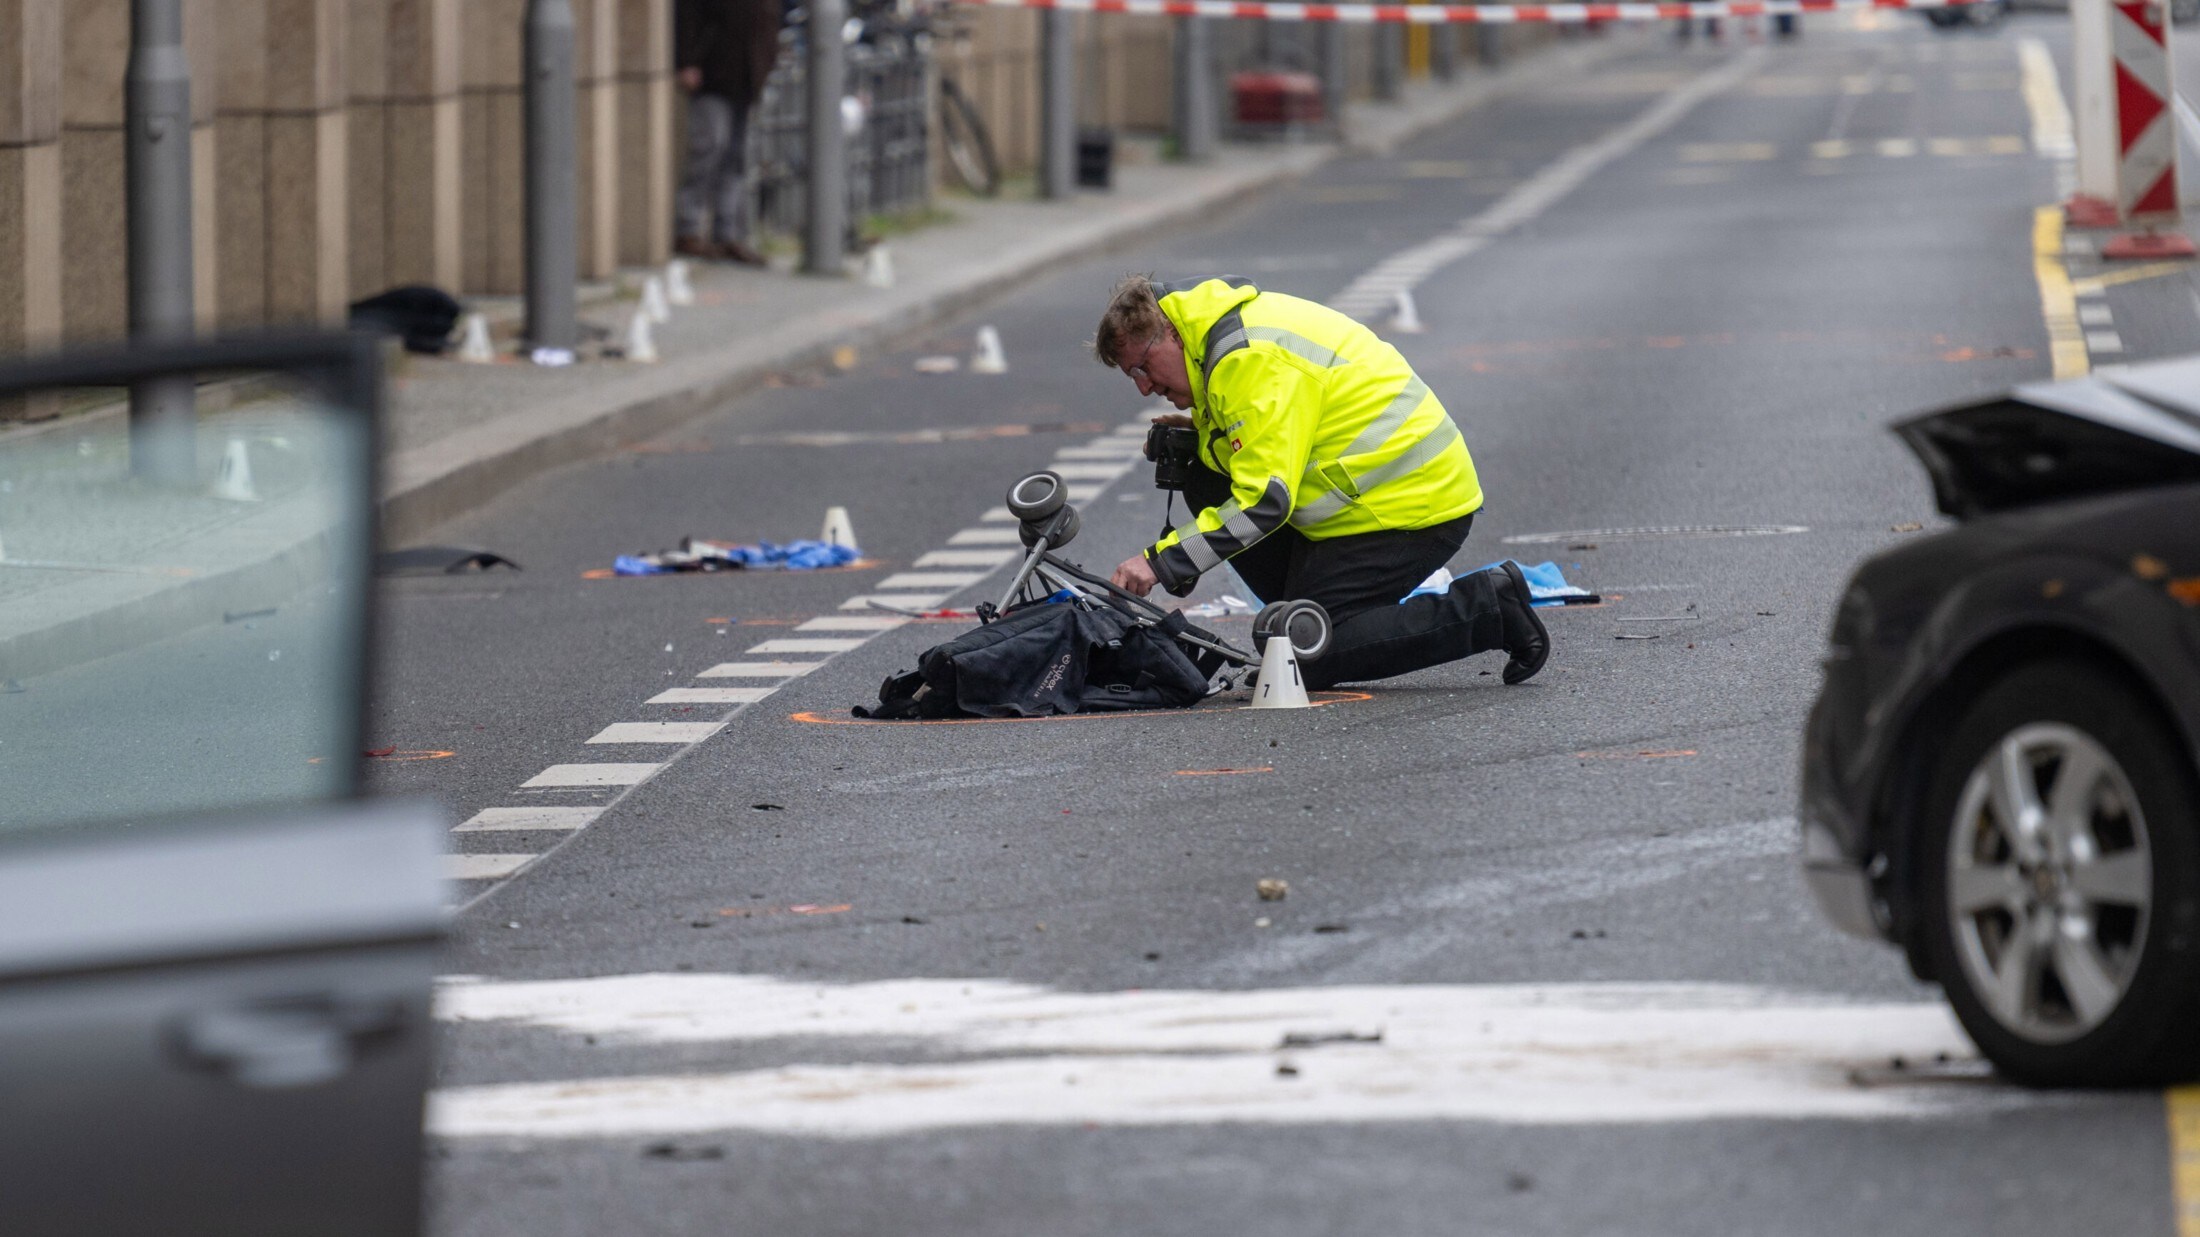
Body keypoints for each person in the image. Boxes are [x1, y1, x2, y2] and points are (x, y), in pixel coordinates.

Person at [1095, 274, 1549, 690]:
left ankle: (1490, 608)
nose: (1143, 387)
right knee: (1200, 472)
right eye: (1130, 376)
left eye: (1142, 367)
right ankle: (1310, 617)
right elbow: (1265, 445)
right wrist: (1202, 439)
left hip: (1412, 506)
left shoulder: (1247, 360)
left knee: (1306, 657)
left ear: (1170, 334)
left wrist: (1161, 562)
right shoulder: (1212, 337)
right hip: (1365, 504)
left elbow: (1264, 502)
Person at [674, 0, 784, 266]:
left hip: (748, 74)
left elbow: (769, 21)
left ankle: (728, 233)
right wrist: (688, 60)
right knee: (710, 146)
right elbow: (688, 13)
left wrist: (768, 61)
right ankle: (688, 228)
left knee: (737, 157)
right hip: (714, 71)